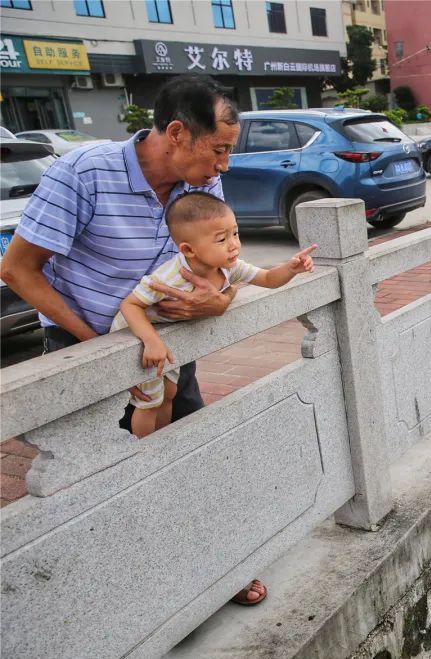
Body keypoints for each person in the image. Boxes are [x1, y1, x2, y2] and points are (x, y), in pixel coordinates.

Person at [0, 75, 268, 606]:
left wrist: (220, 301)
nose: (225, 166)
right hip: (87, 345)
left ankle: (218, 569)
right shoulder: (84, 171)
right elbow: (17, 270)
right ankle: (144, 593)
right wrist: (99, 346)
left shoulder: (201, 185)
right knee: (110, 476)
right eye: (219, 150)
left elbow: (220, 265)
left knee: (189, 454)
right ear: (175, 133)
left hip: (166, 346)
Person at [116, 192, 317, 438]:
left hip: (164, 335)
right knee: (149, 401)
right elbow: (130, 306)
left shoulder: (228, 266)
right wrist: (151, 341)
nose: (234, 244)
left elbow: (267, 279)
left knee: (169, 393)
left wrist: (291, 267)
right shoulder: (170, 276)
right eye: (221, 239)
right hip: (138, 336)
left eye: (235, 233)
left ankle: (162, 443)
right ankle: (144, 454)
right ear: (189, 249)